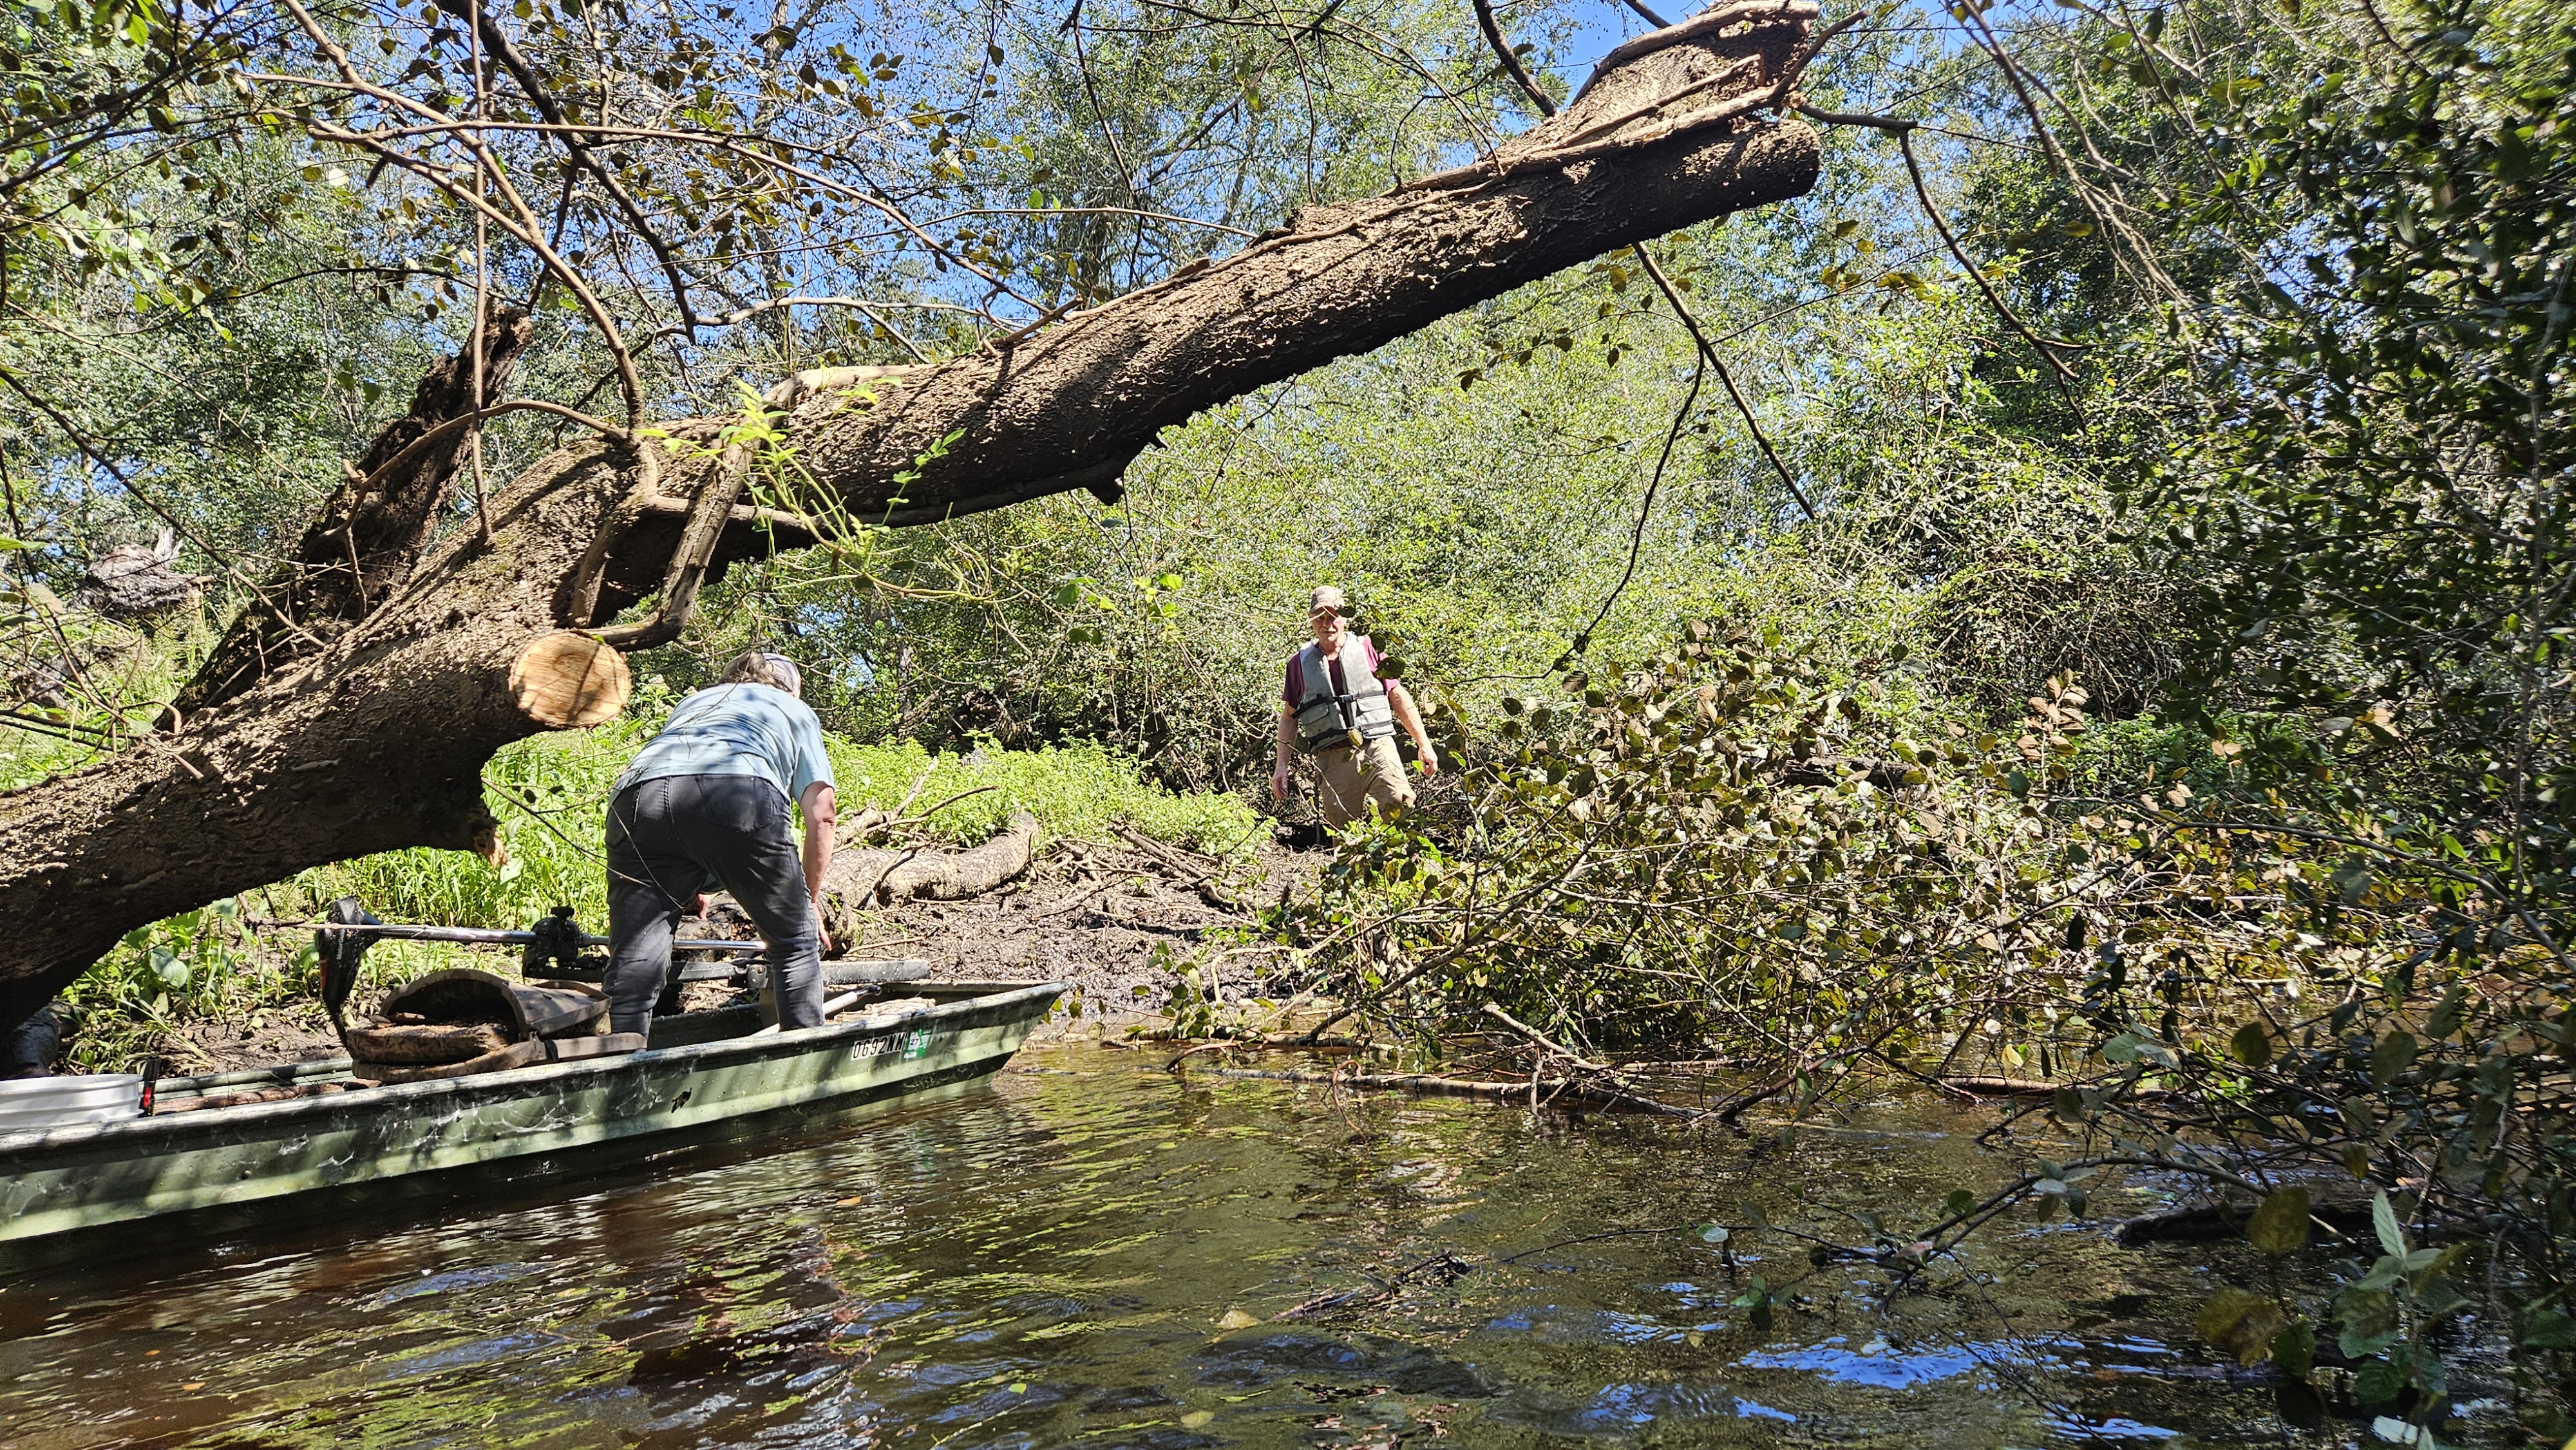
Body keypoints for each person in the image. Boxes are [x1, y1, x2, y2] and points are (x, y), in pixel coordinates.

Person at [604, 651, 837, 1037]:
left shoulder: (693, 703)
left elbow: (681, 800)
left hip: (635, 796)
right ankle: (805, 1062)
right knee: (794, 941)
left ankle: (617, 1066)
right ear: (791, 689)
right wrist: (807, 903)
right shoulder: (792, 709)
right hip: (738, 787)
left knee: (635, 951)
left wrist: (684, 885)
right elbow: (822, 814)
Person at [1271, 585, 1438, 827]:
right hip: (1333, 756)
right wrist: (1281, 766)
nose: (1327, 623)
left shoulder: (1369, 649)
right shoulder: (1298, 664)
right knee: (1344, 833)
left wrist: (1424, 744)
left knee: (1401, 805)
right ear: (1311, 620)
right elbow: (1289, 717)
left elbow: (1397, 695)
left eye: (1333, 616)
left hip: (1377, 746)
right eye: (1320, 617)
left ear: (1345, 618)